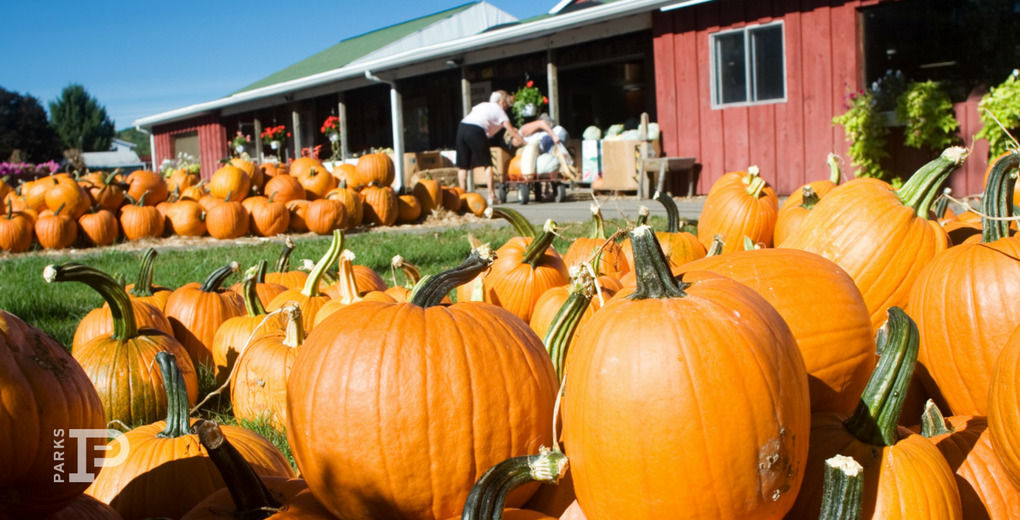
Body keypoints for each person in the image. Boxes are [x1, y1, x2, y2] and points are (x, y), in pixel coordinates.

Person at [457, 91, 525, 203]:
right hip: (477, 129)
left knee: (463, 166)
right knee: (487, 164)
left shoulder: (481, 105)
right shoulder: (500, 112)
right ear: (502, 102)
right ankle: (491, 195)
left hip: (462, 127)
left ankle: (461, 195)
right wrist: (525, 143)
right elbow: (512, 131)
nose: (506, 108)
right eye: (506, 105)